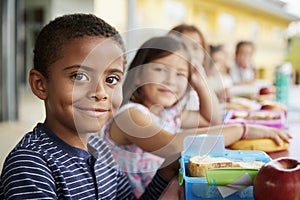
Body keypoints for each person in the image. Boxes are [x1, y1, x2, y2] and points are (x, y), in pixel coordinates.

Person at [0, 14, 177, 199]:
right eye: (79, 76)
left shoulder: (102, 150)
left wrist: (165, 172)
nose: (100, 92)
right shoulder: (31, 164)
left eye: (111, 79)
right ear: (40, 84)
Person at [101, 36, 291, 198]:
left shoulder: (169, 113)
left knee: (244, 185)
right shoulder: (130, 115)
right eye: (160, 69)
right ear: (139, 73)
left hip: (168, 187)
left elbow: (211, 121)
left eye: (180, 74)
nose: (170, 80)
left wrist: (200, 82)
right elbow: (173, 146)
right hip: (143, 195)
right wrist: (242, 129)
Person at [168, 24, 221, 111]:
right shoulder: (169, 88)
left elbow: (214, 118)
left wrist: (203, 83)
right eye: (183, 46)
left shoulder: (195, 89)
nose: (190, 54)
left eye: (196, 47)